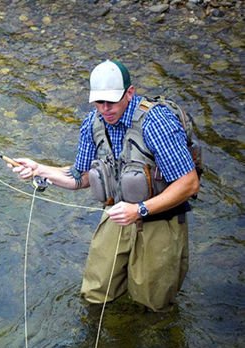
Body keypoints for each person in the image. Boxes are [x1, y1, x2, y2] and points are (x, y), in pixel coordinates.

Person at [11, 59, 200, 312]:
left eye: (111, 102)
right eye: (99, 103)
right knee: (95, 292)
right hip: (117, 215)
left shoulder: (157, 122)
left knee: (152, 303)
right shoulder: (93, 123)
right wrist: (41, 170)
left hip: (160, 220)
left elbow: (189, 183)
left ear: (130, 92)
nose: (105, 109)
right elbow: (82, 177)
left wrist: (139, 210)